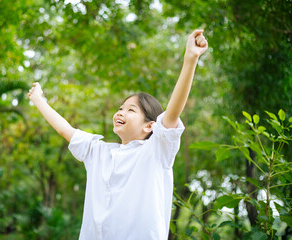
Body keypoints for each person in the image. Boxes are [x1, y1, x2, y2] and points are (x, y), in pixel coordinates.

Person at [28, 29, 208, 240]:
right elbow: (64, 129)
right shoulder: (98, 152)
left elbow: (173, 111)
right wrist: (39, 99)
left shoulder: (156, 151)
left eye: (131, 110)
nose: (121, 112)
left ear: (149, 126)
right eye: (121, 108)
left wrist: (190, 59)